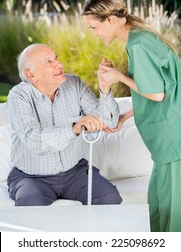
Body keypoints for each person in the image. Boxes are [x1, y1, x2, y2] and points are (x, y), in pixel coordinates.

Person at [83, 0, 181, 232]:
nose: (94, 34)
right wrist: (126, 116)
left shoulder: (138, 43)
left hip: (172, 139)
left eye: (94, 27)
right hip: (167, 139)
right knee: (159, 207)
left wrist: (118, 77)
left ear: (110, 20)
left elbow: (156, 93)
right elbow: (161, 90)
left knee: (171, 213)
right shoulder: (140, 37)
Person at [7, 43, 122, 206]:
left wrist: (104, 87)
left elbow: (109, 121)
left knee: (110, 198)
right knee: (30, 206)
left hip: (74, 173)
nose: (59, 64)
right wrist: (74, 128)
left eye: (56, 58)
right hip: (31, 177)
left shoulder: (74, 84)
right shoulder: (18, 96)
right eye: (49, 62)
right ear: (31, 75)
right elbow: (32, 139)